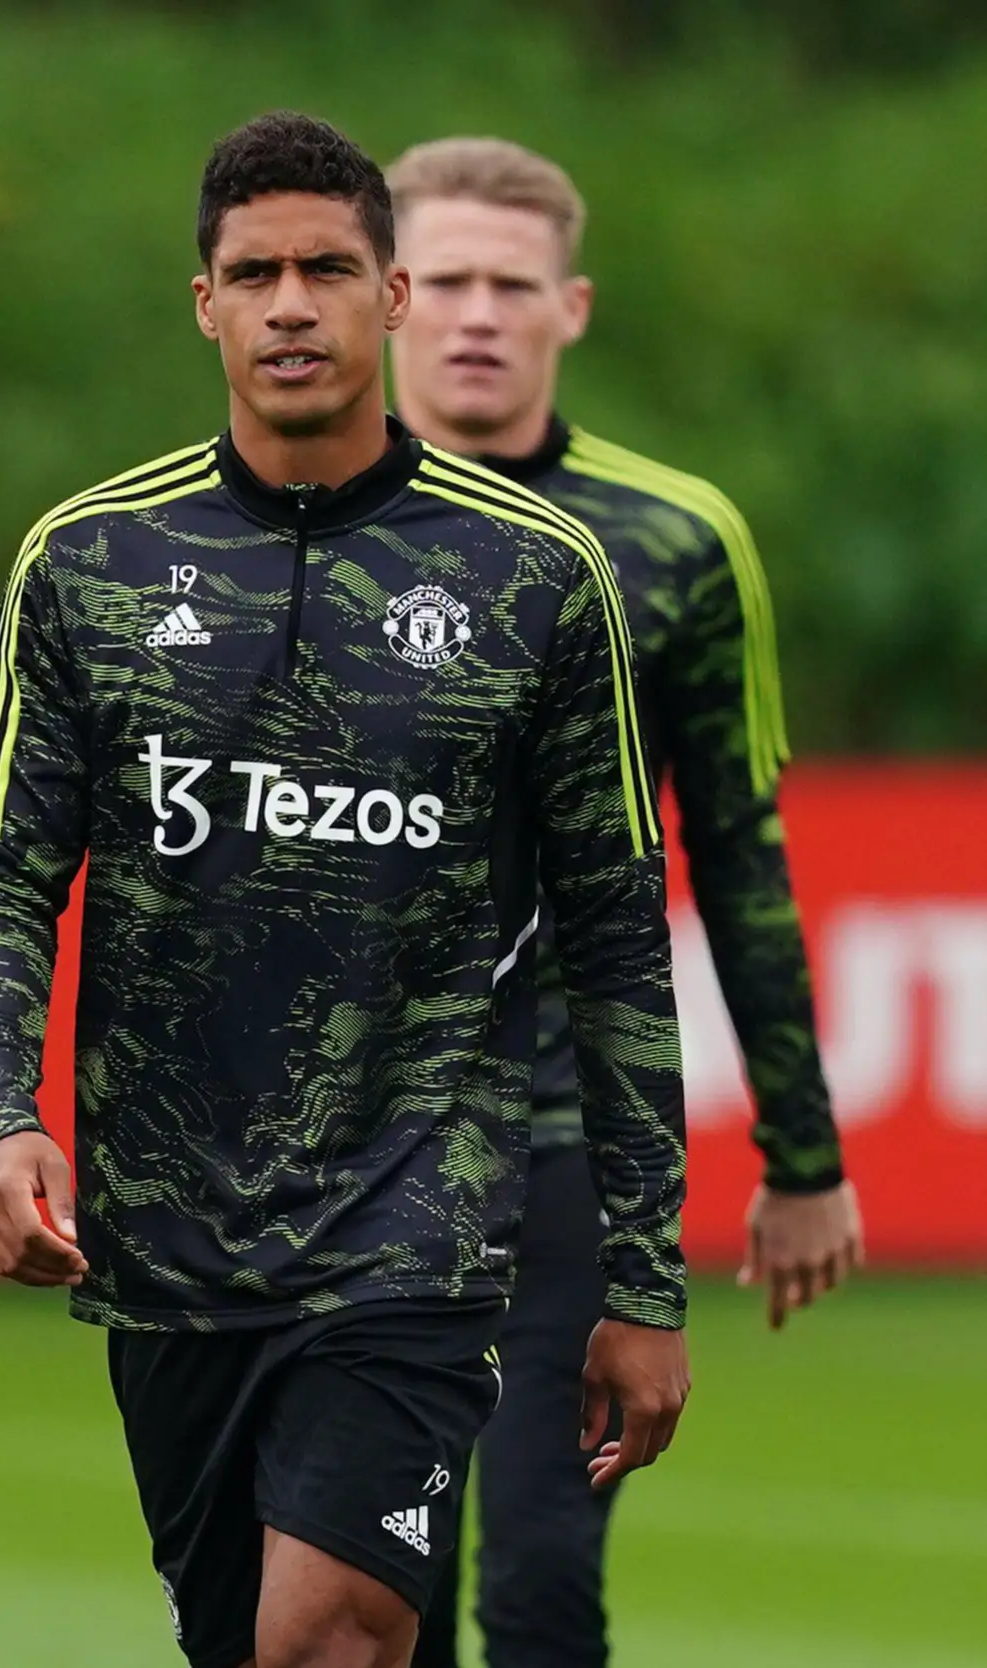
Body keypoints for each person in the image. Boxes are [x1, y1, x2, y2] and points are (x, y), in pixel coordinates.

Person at [0, 113, 692, 1668]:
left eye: (329, 269)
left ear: (395, 297)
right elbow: (7, 875)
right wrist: (0, 1112)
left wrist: (643, 1276)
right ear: (203, 303)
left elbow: (621, 941)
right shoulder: (84, 562)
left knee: (326, 1640)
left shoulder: (541, 578)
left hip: (420, 1221)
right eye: (256, 271)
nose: (293, 303)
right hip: (166, 1231)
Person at [388, 135, 866, 1668]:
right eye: (445, 279)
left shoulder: (674, 540)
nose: (477, 313)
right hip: (338, 1159)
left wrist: (802, 1154)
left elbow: (738, 853)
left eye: (510, 285)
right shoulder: (282, 530)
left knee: (536, 1588)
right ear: (389, 295)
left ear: (570, 307)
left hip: (569, 1142)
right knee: (356, 1603)